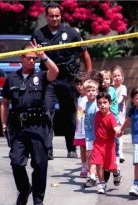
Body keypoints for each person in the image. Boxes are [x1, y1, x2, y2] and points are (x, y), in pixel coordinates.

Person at [0, 41, 59, 205]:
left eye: (35, 58)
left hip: (38, 126)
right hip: (18, 126)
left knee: (40, 163)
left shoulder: (41, 76)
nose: (32, 61)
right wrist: (3, 124)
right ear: (21, 58)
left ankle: (38, 200)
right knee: (17, 162)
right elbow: (4, 103)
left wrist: (44, 56)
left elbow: (55, 72)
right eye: (29, 58)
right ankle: (25, 189)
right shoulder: (12, 78)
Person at [31, 2, 92, 160]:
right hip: (49, 79)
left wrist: (88, 76)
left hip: (67, 79)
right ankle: (47, 148)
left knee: (69, 114)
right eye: (51, 16)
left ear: (61, 16)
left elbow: (85, 54)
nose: (54, 18)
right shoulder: (38, 35)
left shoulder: (71, 33)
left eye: (57, 15)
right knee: (46, 113)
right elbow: (30, 55)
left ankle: (71, 148)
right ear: (46, 16)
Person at [90, 92, 122, 194]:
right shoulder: (97, 114)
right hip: (98, 144)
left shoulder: (111, 117)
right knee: (99, 164)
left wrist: (118, 131)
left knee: (110, 167)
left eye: (105, 102)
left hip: (109, 146)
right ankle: (101, 184)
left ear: (110, 104)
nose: (102, 105)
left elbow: (116, 127)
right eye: (99, 103)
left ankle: (116, 173)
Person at [83, 79, 99, 187]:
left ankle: (95, 175)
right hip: (88, 134)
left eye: (93, 90)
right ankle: (92, 175)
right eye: (88, 90)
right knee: (89, 155)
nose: (91, 92)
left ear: (97, 92)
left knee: (95, 156)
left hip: (97, 135)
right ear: (85, 93)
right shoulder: (86, 104)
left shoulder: (98, 104)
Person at [111, 65, 128, 163]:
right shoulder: (111, 88)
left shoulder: (123, 87)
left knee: (119, 133)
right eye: (115, 76)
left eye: (119, 75)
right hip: (111, 114)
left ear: (122, 76)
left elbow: (121, 98)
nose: (117, 78)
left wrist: (114, 103)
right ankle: (113, 151)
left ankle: (120, 152)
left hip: (120, 114)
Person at [73, 75, 88, 178]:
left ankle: (91, 166)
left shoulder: (89, 97)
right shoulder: (79, 98)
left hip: (88, 126)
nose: (79, 87)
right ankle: (84, 166)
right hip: (80, 126)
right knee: (82, 147)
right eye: (77, 84)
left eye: (81, 84)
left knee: (89, 147)